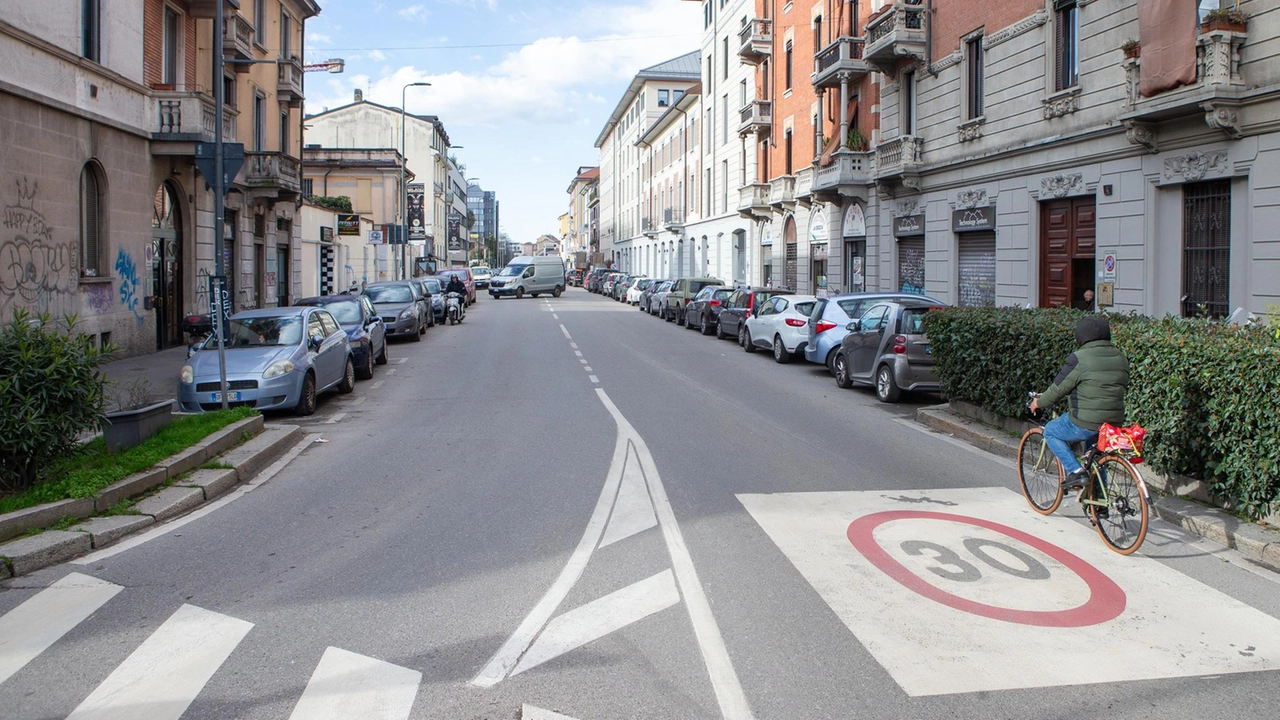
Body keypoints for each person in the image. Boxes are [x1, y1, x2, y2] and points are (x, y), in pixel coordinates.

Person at [1029, 316, 1129, 489]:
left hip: (1085, 422)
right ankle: (1099, 508)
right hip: (1113, 422)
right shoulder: (1120, 357)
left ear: (1081, 336)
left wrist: (1038, 402)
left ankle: (1075, 471)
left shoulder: (1079, 358)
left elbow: (1057, 390)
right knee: (1096, 457)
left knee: (1051, 431)